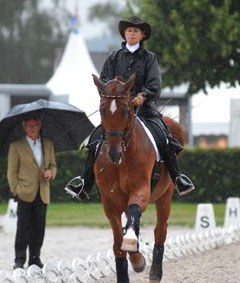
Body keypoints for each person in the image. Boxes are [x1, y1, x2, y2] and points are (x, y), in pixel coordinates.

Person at [65, 16, 194, 200]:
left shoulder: (150, 58)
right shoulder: (114, 57)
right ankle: (85, 182)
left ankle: (178, 177)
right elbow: (103, 82)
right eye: (129, 30)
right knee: (95, 140)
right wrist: (113, 91)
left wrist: (142, 95)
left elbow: (154, 84)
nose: (132, 33)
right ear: (125, 34)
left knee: (164, 137)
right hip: (119, 110)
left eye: (136, 31)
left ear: (142, 36)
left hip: (144, 109)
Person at [7, 114, 57, 270]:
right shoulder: (16, 146)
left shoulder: (47, 144)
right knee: (23, 227)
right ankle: (19, 259)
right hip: (25, 192)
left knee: (39, 227)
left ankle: (35, 258)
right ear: (24, 127)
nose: (32, 128)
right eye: (29, 125)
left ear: (39, 125)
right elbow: (11, 171)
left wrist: (51, 173)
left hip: (43, 191)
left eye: (35, 125)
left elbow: (53, 165)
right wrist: (16, 189)